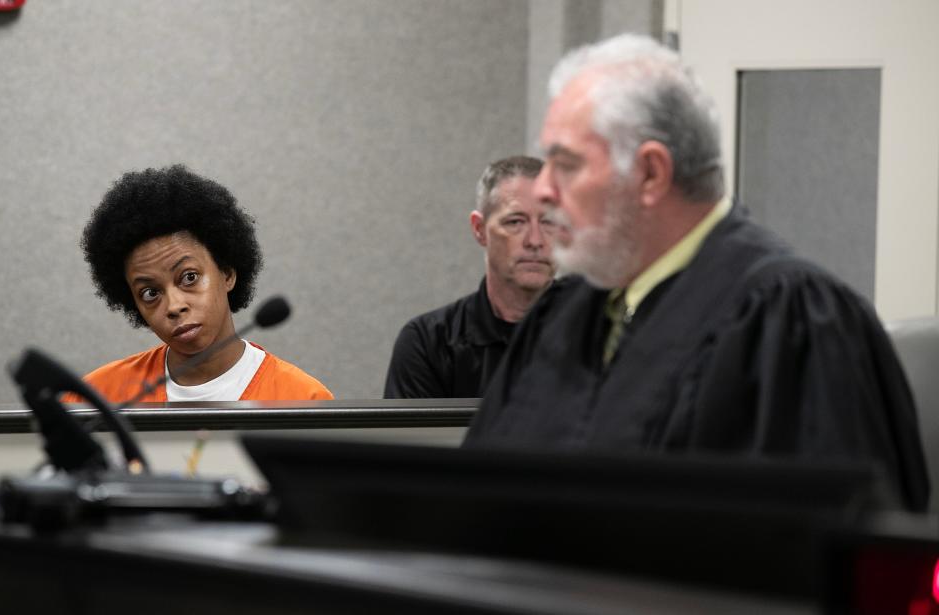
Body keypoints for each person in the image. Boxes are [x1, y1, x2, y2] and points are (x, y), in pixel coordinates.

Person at [463, 35, 929, 511]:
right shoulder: (562, 315)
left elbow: (829, 557)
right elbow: (479, 493)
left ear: (650, 173)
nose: (542, 190)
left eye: (566, 164)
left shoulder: (791, 320)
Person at [70, 164, 333, 403]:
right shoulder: (96, 400)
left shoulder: (304, 399)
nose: (174, 306)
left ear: (227, 273)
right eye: (150, 293)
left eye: (189, 277)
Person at [384, 156, 556, 398]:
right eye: (516, 222)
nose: (535, 241)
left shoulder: (600, 335)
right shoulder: (429, 343)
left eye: (549, 222)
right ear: (479, 229)